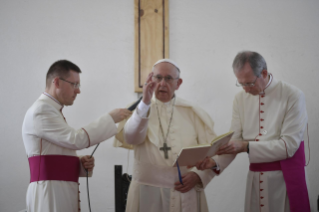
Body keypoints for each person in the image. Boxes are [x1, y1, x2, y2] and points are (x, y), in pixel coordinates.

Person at [196, 51, 310, 212]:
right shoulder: (240, 99)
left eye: (249, 83)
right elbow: (234, 140)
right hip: (256, 179)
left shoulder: (292, 95)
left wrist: (246, 147)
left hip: (284, 179)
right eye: (240, 83)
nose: (245, 89)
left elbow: (289, 146)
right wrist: (215, 162)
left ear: (264, 73)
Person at [22, 60, 132, 212]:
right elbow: (74, 139)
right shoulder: (42, 110)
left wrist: (79, 163)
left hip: (57, 189)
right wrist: (110, 118)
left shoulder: (52, 110)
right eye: (75, 84)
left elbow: (51, 154)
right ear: (57, 82)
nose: (78, 90)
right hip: (49, 193)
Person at [114, 59, 219, 212]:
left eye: (168, 78)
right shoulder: (140, 108)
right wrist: (145, 102)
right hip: (146, 194)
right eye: (158, 77)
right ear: (151, 79)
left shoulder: (193, 112)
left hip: (185, 191)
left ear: (178, 83)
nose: (162, 83)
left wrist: (198, 176)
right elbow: (131, 138)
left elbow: (214, 151)